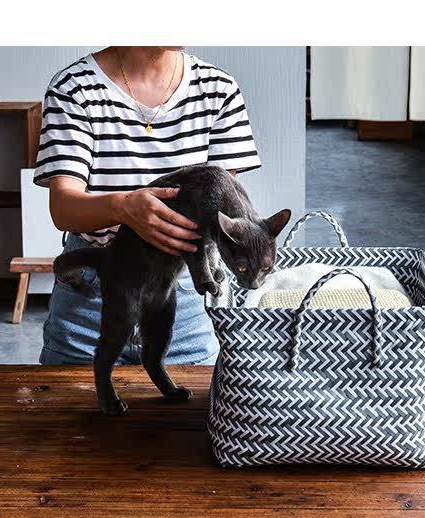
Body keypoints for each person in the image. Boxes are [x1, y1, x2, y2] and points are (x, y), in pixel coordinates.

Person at [34, 46, 261, 365]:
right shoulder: (74, 87)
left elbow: (218, 214)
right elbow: (63, 209)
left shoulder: (218, 89)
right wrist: (123, 208)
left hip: (184, 303)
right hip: (92, 302)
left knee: (189, 399)